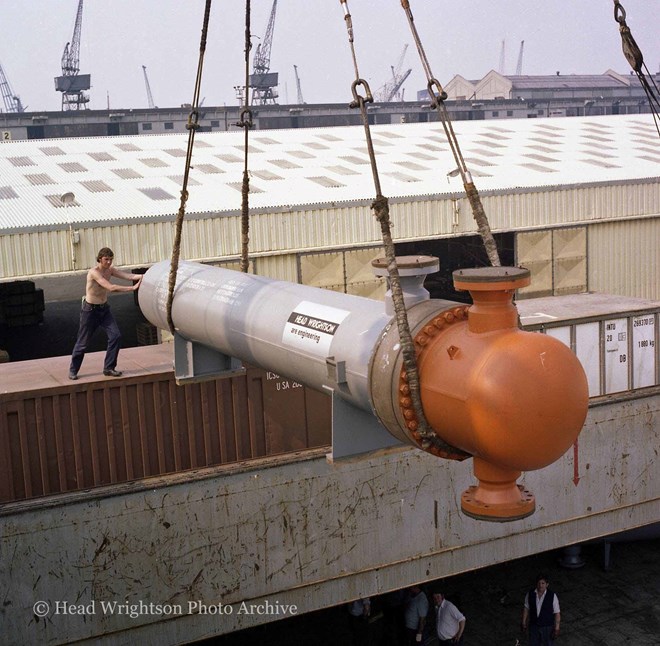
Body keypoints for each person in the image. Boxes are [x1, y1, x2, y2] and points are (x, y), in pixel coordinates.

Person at [69, 247, 142, 380]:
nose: (108, 262)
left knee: (116, 336)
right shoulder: (94, 272)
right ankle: (73, 370)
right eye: (106, 259)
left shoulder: (110, 270)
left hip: (104, 310)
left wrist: (145, 276)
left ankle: (109, 368)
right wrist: (132, 288)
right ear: (100, 259)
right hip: (90, 311)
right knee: (83, 342)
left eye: (110, 259)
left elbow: (129, 276)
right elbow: (110, 287)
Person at [521, 573, 561, 646]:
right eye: (539, 583)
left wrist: (557, 628)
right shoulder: (530, 594)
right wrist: (523, 622)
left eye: (543, 583)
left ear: (547, 584)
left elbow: (557, 613)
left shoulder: (552, 596)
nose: (540, 585)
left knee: (548, 644)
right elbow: (526, 608)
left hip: (547, 627)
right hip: (534, 626)